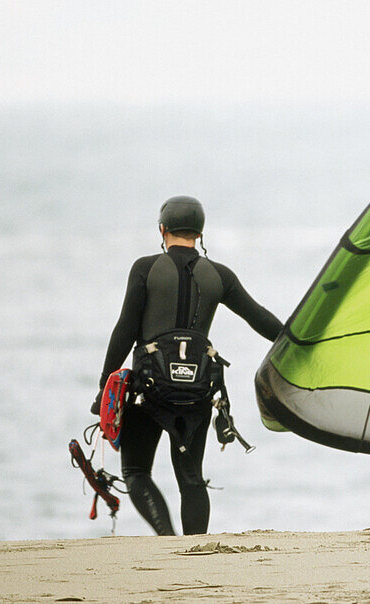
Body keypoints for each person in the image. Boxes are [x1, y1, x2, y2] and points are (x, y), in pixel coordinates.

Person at [92, 195, 283, 535]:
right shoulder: (220, 276)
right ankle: (194, 549)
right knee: (191, 478)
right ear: (200, 233)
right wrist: (300, 343)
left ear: (162, 229)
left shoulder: (145, 269)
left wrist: (102, 389)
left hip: (148, 393)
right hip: (197, 392)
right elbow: (261, 320)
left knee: (137, 471)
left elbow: (125, 331)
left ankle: (167, 539)